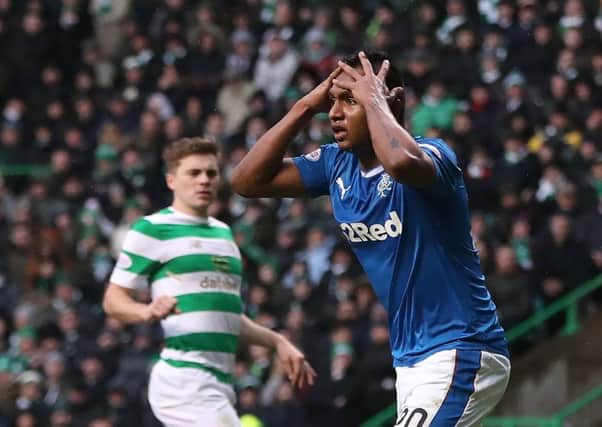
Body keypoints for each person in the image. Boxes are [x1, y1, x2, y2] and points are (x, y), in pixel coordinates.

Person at [231, 51, 511, 425]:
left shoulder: (432, 155)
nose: (334, 113)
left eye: (350, 100)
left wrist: (375, 102)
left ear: (390, 100)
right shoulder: (336, 164)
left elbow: (399, 164)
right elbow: (245, 182)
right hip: (410, 359)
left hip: (461, 346)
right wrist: (303, 106)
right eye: (333, 101)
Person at [102, 137, 315, 427]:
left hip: (221, 381)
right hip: (184, 378)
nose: (204, 180)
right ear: (171, 180)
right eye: (194, 173)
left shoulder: (224, 234)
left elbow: (227, 317)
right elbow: (113, 301)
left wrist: (277, 341)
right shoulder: (151, 229)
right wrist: (146, 311)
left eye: (211, 173)